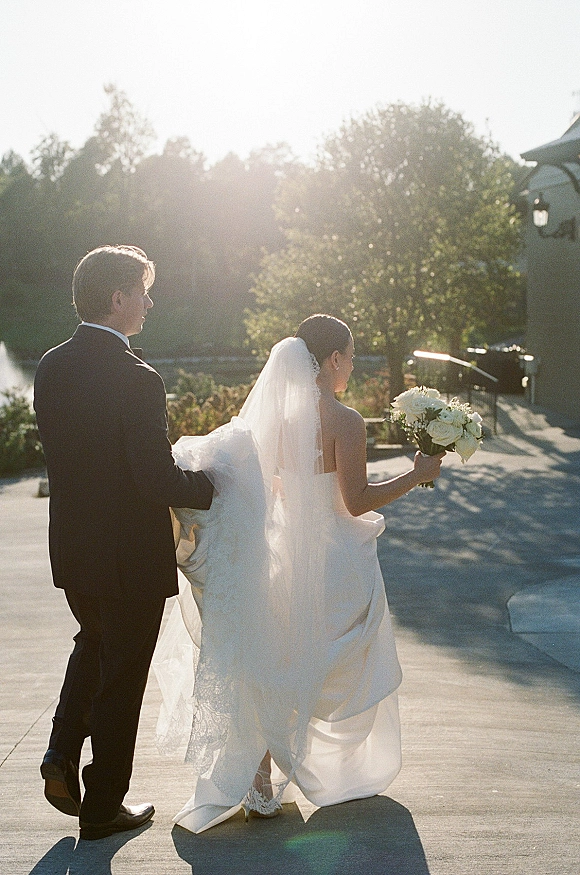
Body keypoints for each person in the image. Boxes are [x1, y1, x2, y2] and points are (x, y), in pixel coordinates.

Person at [153, 313, 443, 833]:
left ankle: (259, 786)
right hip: (332, 559)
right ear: (333, 360)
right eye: (350, 358)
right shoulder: (346, 421)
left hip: (279, 553)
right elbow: (355, 503)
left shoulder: (273, 421)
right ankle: (333, 768)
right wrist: (416, 474)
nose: (350, 368)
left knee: (271, 658)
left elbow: (272, 488)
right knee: (333, 656)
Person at [33, 245, 214, 841]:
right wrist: (213, 484)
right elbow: (153, 479)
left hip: (75, 550)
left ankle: (61, 756)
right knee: (123, 676)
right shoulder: (138, 378)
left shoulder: (51, 367)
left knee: (94, 643)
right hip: (130, 557)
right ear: (118, 298)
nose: (149, 301)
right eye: (143, 289)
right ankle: (103, 805)